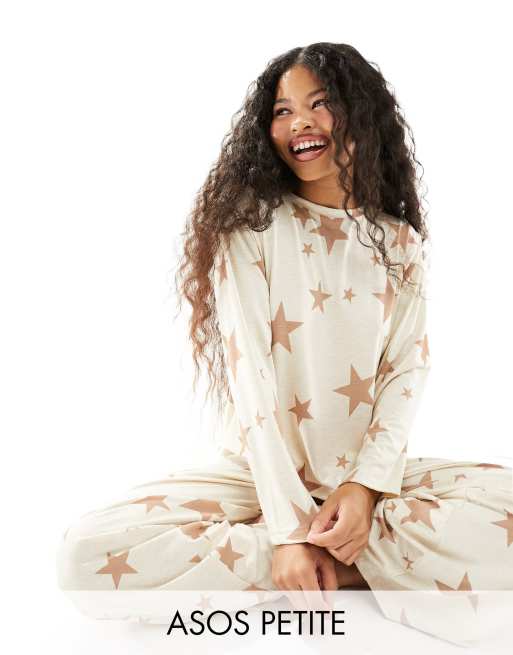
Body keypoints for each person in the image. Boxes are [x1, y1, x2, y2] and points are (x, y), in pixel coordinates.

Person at [56, 43, 512, 643]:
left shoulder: (398, 242)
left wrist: (364, 488)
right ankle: (334, 561)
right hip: (258, 477)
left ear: (361, 116)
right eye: (282, 110)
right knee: (83, 556)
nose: (299, 122)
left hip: (366, 482)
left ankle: (332, 561)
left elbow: (406, 370)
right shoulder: (251, 227)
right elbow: (250, 376)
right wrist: (288, 528)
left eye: (320, 104)